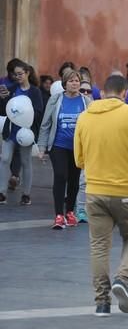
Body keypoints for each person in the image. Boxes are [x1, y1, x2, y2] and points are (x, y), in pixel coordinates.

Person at [74, 75, 128, 317]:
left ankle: (101, 303)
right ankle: (123, 278)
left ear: (102, 92)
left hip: (95, 191)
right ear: (124, 92)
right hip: (127, 190)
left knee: (99, 246)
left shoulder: (85, 116)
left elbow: (79, 160)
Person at [38, 69, 92, 227]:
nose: (74, 83)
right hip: (58, 145)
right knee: (61, 176)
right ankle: (59, 215)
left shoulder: (86, 101)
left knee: (74, 180)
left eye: (77, 81)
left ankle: (70, 212)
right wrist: (42, 146)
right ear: (64, 84)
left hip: (78, 148)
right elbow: (46, 124)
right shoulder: (55, 100)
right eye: (71, 81)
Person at [0, 61, 43, 206]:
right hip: (11, 130)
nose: (17, 77)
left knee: (26, 162)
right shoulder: (11, 89)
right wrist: (3, 98)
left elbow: (38, 112)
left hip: (26, 132)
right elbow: (3, 110)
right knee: (5, 159)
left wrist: (25, 113)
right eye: (15, 74)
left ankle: (26, 194)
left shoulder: (35, 91)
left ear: (27, 73)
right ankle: (2, 192)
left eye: (20, 74)